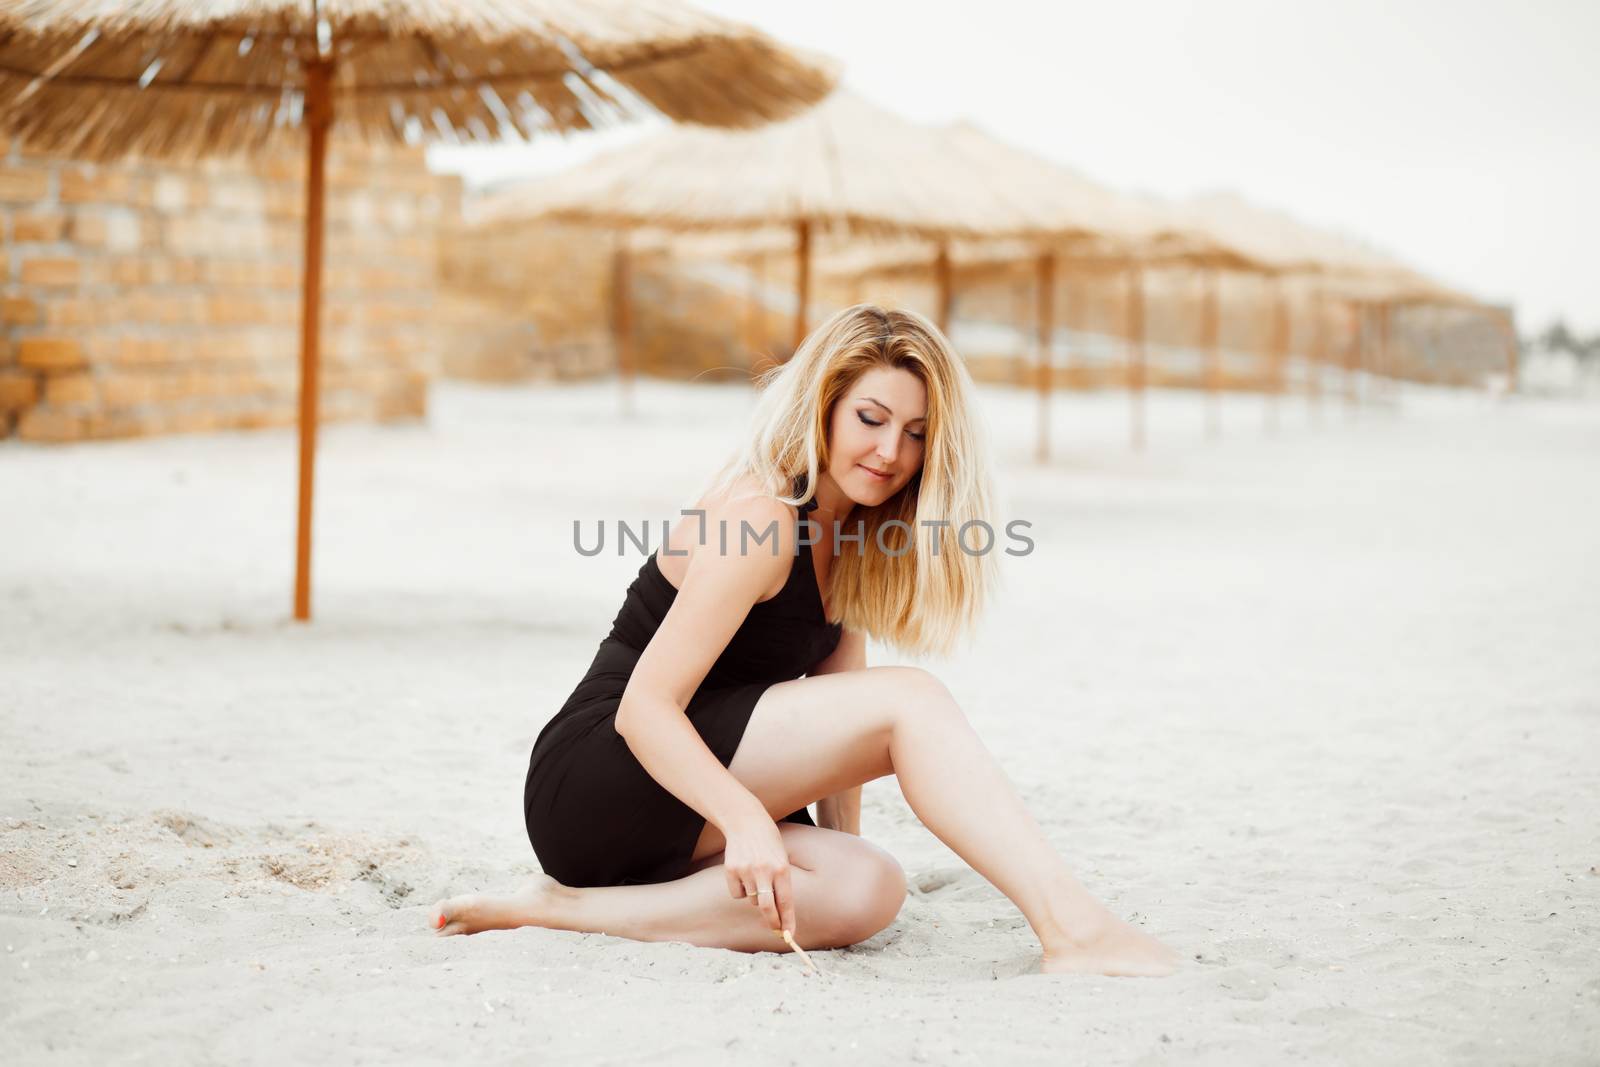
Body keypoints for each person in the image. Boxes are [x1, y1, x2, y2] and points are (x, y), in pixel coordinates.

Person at [431, 305, 1179, 977]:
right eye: (872, 418)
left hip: (693, 800)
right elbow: (645, 708)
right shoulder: (758, 514)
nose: (891, 451)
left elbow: (839, 721)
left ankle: (557, 908)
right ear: (826, 405)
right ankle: (1072, 927)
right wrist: (748, 818)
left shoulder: (854, 532)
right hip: (603, 777)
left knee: (868, 886)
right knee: (913, 700)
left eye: (917, 434)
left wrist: (838, 844)